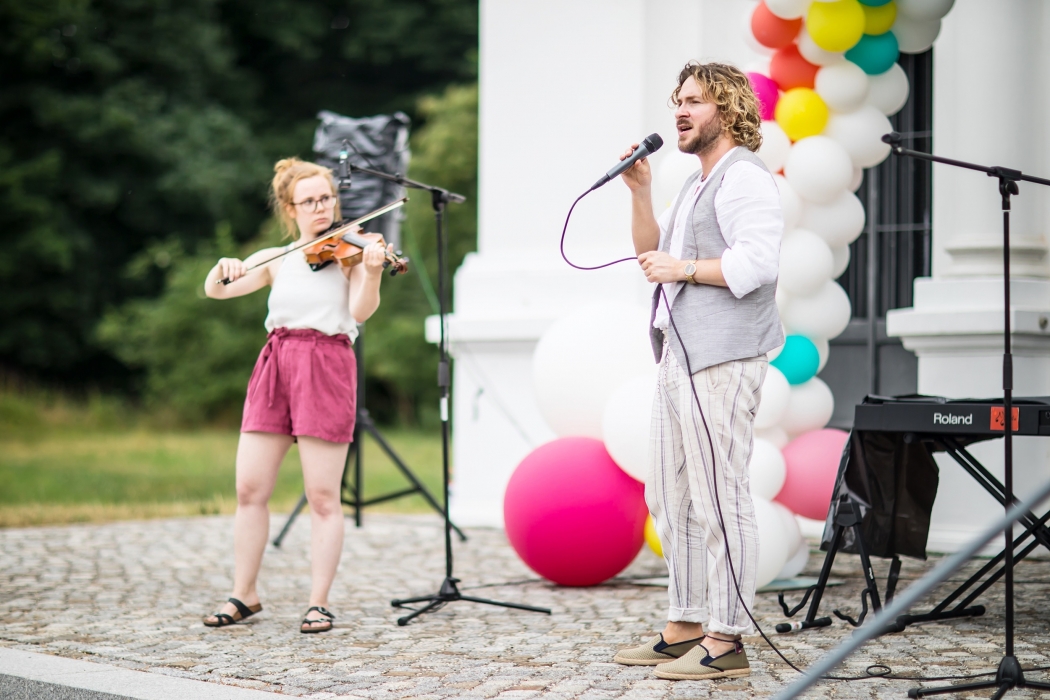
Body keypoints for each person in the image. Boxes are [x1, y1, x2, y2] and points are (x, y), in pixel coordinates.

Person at [612, 61, 784, 680]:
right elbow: (649, 254)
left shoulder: (744, 179)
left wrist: (681, 269)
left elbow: (756, 264)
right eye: (677, 102)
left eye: (695, 102)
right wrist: (639, 194)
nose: (680, 112)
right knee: (669, 490)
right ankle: (685, 622)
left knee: (719, 493)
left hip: (724, 355)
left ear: (729, 109)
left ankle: (728, 637)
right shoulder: (694, 183)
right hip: (678, 353)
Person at [201, 157, 392, 633]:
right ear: (291, 208)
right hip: (276, 363)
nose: (321, 208)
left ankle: (318, 602)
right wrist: (219, 269)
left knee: (323, 496)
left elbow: (361, 311)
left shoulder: (351, 254)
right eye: (309, 202)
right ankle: (244, 594)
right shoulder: (277, 260)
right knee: (249, 489)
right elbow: (218, 292)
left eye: (326, 198)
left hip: (326, 364)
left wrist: (369, 273)